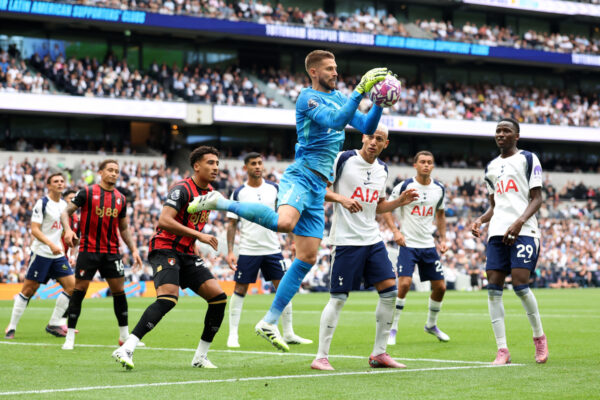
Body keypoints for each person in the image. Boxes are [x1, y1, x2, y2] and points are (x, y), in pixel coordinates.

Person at [188, 50, 388, 351]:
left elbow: (367, 127)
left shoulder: (339, 97)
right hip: (301, 175)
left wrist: (379, 104)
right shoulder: (307, 99)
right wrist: (360, 90)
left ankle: (269, 321)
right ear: (313, 72)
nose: (335, 72)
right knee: (283, 222)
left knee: (307, 257)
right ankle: (220, 202)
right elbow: (335, 121)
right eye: (329, 68)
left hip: (319, 186)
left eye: (336, 68)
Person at [311, 124, 418, 371]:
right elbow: (320, 189)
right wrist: (342, 199)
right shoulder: (343, 159)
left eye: (379, 139)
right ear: (363, 136)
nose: (373, 142)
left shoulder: (382, 169)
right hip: (346, 241)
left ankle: (379, 353)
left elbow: (377, 207)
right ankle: (320, 356)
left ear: (385, 144)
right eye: (370, 137)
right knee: (338, 298)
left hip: (372, 239)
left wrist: (399, 202)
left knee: (390, 293)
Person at [112, 146, 227, 370]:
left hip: (187, 253)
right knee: (168, 299)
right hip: (165, 249)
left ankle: (200, 357)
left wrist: (194, 243)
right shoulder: (181, 188)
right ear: (196, 166)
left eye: (217, 163)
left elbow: (191, 223)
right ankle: (127, 347)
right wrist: (198, 236)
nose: (215, 167)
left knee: (219, 298)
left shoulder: (211, 193)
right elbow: (165, 220)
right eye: (210, 163)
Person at [471, 117, 548, 364]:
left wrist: (519, 221)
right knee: (493, 288)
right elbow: (495, 205)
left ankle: (539, 338)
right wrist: (481, 220)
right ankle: (502, 349)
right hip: (496, 233)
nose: (501, 134)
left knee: (520, 284)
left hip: (524, 231)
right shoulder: (491, 167)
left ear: (516, 136)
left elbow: (537, 198)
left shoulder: (528, 158)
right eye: (498, 131)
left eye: (506, 131)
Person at [225, 152, 311, 348]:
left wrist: (294, 241)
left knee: (284, 287)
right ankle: (233, 335)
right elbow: (231, 224)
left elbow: (286, 216)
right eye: (253, 163)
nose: (258, 166)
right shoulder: (238, 193)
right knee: (240, 289)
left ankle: (289, 333)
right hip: (248, 249)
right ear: (245, 168)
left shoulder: (275, 189)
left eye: (260, 163)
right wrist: (230, 251)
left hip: (272, 248)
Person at [61, 160, 143, 350]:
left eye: (116, 171)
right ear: (100, 173)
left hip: (112, 252)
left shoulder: (121, 198)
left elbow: (124, 227)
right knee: (79, 291)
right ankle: (70, 336)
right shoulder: (87, 192)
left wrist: (134, 250)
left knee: (119, 292)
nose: (114, 174)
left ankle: (124, 336)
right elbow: (66, 212)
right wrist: (67, 230)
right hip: (88, 250)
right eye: (110, 170)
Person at [383, 151, 450, 345]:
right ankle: (392, 328)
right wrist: (395, 231)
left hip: (428, 245)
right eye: (422, 162)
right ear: (415, 165)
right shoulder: (405, 186)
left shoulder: (439, 189)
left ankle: (431, 325)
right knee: (403, 285)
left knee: (441, 287)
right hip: (408, 244)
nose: (426, 165)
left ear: (433, 165)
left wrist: (443, 239)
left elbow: (441, 215)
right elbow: (387, 208)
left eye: (430, 162)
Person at [4, 173, 75, 339]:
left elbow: (64, 231)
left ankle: (54, 323)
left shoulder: (64, 205)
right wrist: (50, 244)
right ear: (49, 186)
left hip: (57, 256)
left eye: (61, 181)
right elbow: (34, 229)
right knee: (29, 290)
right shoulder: (42, 203)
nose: (59, 183)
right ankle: (12, 326)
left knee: (72, 287)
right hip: (42, 253)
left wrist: (69, 247)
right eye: (55, 181)